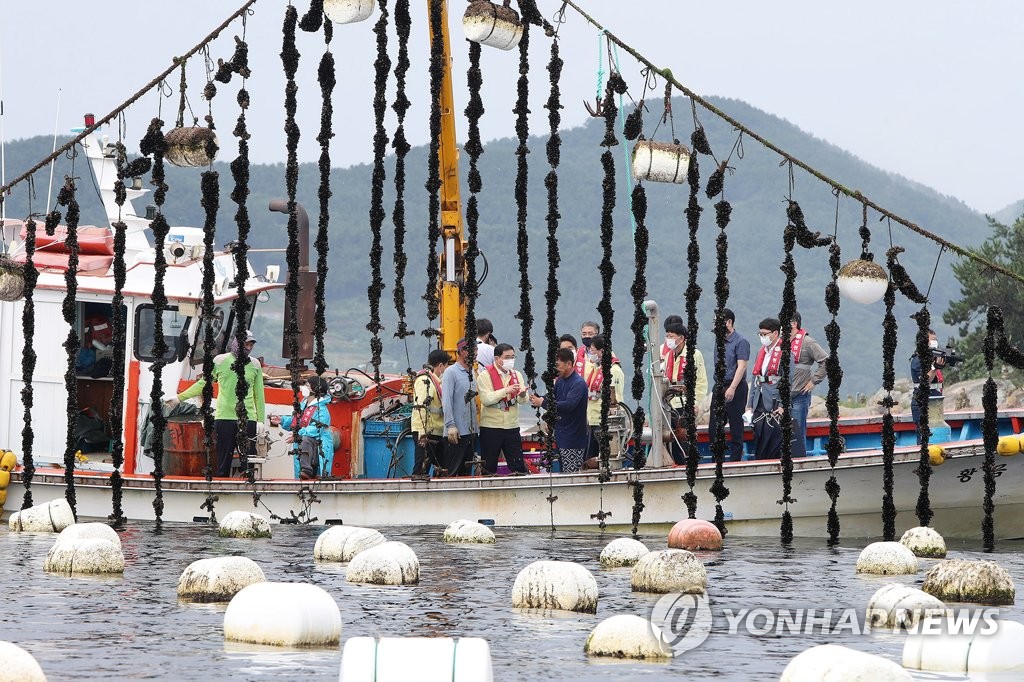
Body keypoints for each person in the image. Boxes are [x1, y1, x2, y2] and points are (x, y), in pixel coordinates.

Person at [172, 330, 265, 477]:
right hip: (225, 418)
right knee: (223, 461)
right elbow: (204, 383)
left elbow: (259, 395)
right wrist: (179, 398)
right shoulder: (220, 361)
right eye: (246, 343)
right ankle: (222, 492)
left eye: (251, 344)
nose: (249, 347)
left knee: (248, 464)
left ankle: (247, 493)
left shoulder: (255, 364)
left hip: (248, 419)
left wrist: (260, 420)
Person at [529, 347, 589, 473]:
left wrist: (543, 403)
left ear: (568, 364)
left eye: (557, 365)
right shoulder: (560, 381)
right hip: (561, 435)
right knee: (562, 471)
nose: (555, 368)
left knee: (571, 474)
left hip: (573, 438)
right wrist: (538, 398)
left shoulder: (578, 383)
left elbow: (569, 405)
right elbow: (552, 397)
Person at [477, 343, 528, 475]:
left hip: (512, 426)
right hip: (491, 426)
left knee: (518, 465)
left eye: (512, 357)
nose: (510, 360)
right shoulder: (485, 375)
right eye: (507, 357)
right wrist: (505, 390)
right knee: (488, 466)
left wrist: (522, 394)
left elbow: (523, 400)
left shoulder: (517, 375)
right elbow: (486, 399)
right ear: (497, 358)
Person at [661, 321, 707, 465]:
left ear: (681, 338)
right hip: (670, 404)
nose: (668, 339)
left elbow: (701, 381)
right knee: (672, 439)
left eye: (671, 336)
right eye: (667, 336)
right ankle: (677, 465)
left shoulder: (694, 354)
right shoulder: (668, 355)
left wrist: (696, 402)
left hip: (686, 402)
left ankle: (690, 465)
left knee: (685, 437)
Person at [708, 308, 750, 462]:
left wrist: (732, 387)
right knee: (714, 427)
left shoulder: (741, 341)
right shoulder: (718, 340)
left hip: (735, 387)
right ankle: (717, 460)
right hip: (719, 385)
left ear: (729, 322)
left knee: (735, 426)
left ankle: (735, 461)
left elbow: (742, 366)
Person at [270, 376, 333, 480]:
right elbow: (298, 421)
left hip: (317, 447)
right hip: (304, 448)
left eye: (307, 386)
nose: (304, 387)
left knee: (305, 439)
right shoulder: (304, 405)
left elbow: (316, 429)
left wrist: (298, 435)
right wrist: (282, 420)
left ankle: (308, 470)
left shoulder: (321, 410)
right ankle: (305, 472)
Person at [787, 311, 828, 458]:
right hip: (781, 397)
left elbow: (826, 361)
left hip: (799, 395)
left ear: (793, 323)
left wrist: (813, 381)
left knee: (798, 432)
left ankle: (800, 461)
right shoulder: (780, 342)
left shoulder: (808, 342)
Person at [747, 318, 784, 460]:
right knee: (759, 438)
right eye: (760, 334)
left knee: (773, 441)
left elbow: (788, 382)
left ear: (775, 333)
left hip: (774, 402)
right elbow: (755, 378)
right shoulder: (760, 353)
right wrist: (749, 405)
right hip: (759, 402)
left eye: (765, 334)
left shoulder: (785, 353)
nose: (762, 337)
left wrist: (783, 405)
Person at [441, 338, 479, 476]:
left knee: (467, 472)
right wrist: (450, 425)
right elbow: (446, 400)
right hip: (456, 433)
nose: (475, 353)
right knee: (453, 471)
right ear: (461, 352)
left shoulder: (472, 373)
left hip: (470, 431)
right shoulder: (451, 372)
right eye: (471, 350)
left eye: (476, 350)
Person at [583, 335, 625, 458]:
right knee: (591, 458)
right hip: (593, 419)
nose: (590, 353)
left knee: (606, 457)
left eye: (592, 350)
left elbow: (616, 399)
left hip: (605, 422)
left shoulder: (614, 370)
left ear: (602, 351)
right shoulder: (597, 368)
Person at [410, 349, 449, 479]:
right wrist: (422, 432)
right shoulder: (424, 381)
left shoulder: (435, 381)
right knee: (421, 468)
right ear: (441, 365)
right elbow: (420, 406)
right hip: (426, 431)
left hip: (437, 430)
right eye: (446, 365)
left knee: (441, 467)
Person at [910, 329, 946, 437]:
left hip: (934, 402)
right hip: (922, 402)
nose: (935, 342)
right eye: (933, 339)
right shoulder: (917, 360)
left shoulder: (930, 359)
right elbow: (925, 381)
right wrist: (935, 367)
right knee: (924, 437)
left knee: (935, 434)